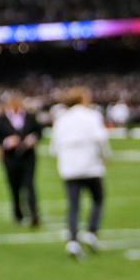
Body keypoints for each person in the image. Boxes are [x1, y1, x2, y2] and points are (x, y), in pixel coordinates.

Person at [48, 86, 111, 259]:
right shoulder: (92, 115)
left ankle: (73, 241)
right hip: (91, 166)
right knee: (98, 199)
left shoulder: (61, 118)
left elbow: (54, 148)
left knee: (73, 205)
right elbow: (101, 139)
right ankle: (91, 231)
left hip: (69, 168)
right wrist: (106, 156)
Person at [0, 95, 43, 227]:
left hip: (28, 156)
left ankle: (34, 214)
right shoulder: (2, 120)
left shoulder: (30, 117)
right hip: (10, 158)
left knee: (29, 185)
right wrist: (7, 142)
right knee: (14, 186)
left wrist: (33, 139)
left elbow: (39, 132)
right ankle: (18, 214)